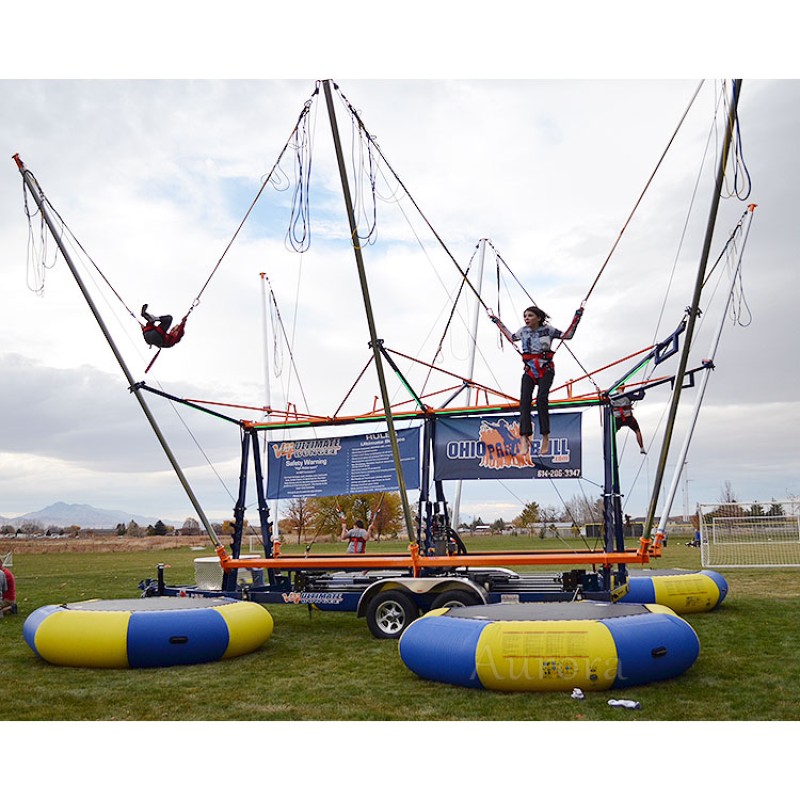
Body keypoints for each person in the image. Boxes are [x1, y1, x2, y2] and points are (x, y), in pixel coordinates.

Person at [490, 304, 583, 455]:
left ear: (539, 318)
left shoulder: (549, 330)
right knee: (524, 402)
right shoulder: (523, 331)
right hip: (530, 371)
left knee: (541, 399)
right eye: (525, 316)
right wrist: (497, 322)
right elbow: (510, 337)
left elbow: (568, 335)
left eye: (530, 316)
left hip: (546, 370)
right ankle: (524, 438)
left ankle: (545, 436)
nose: (527, 318)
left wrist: (577, 318)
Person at [609, 386, 646, 454]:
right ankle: (642, 448)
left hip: (617, 419)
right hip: (628, 418)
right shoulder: (628, 395)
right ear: (624, 388)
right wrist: (642, 389)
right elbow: (640, 397)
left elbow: (604, 399)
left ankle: (610, 448)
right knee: (637, 431)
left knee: (611, 433)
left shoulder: (612, 397)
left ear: (616, 388)